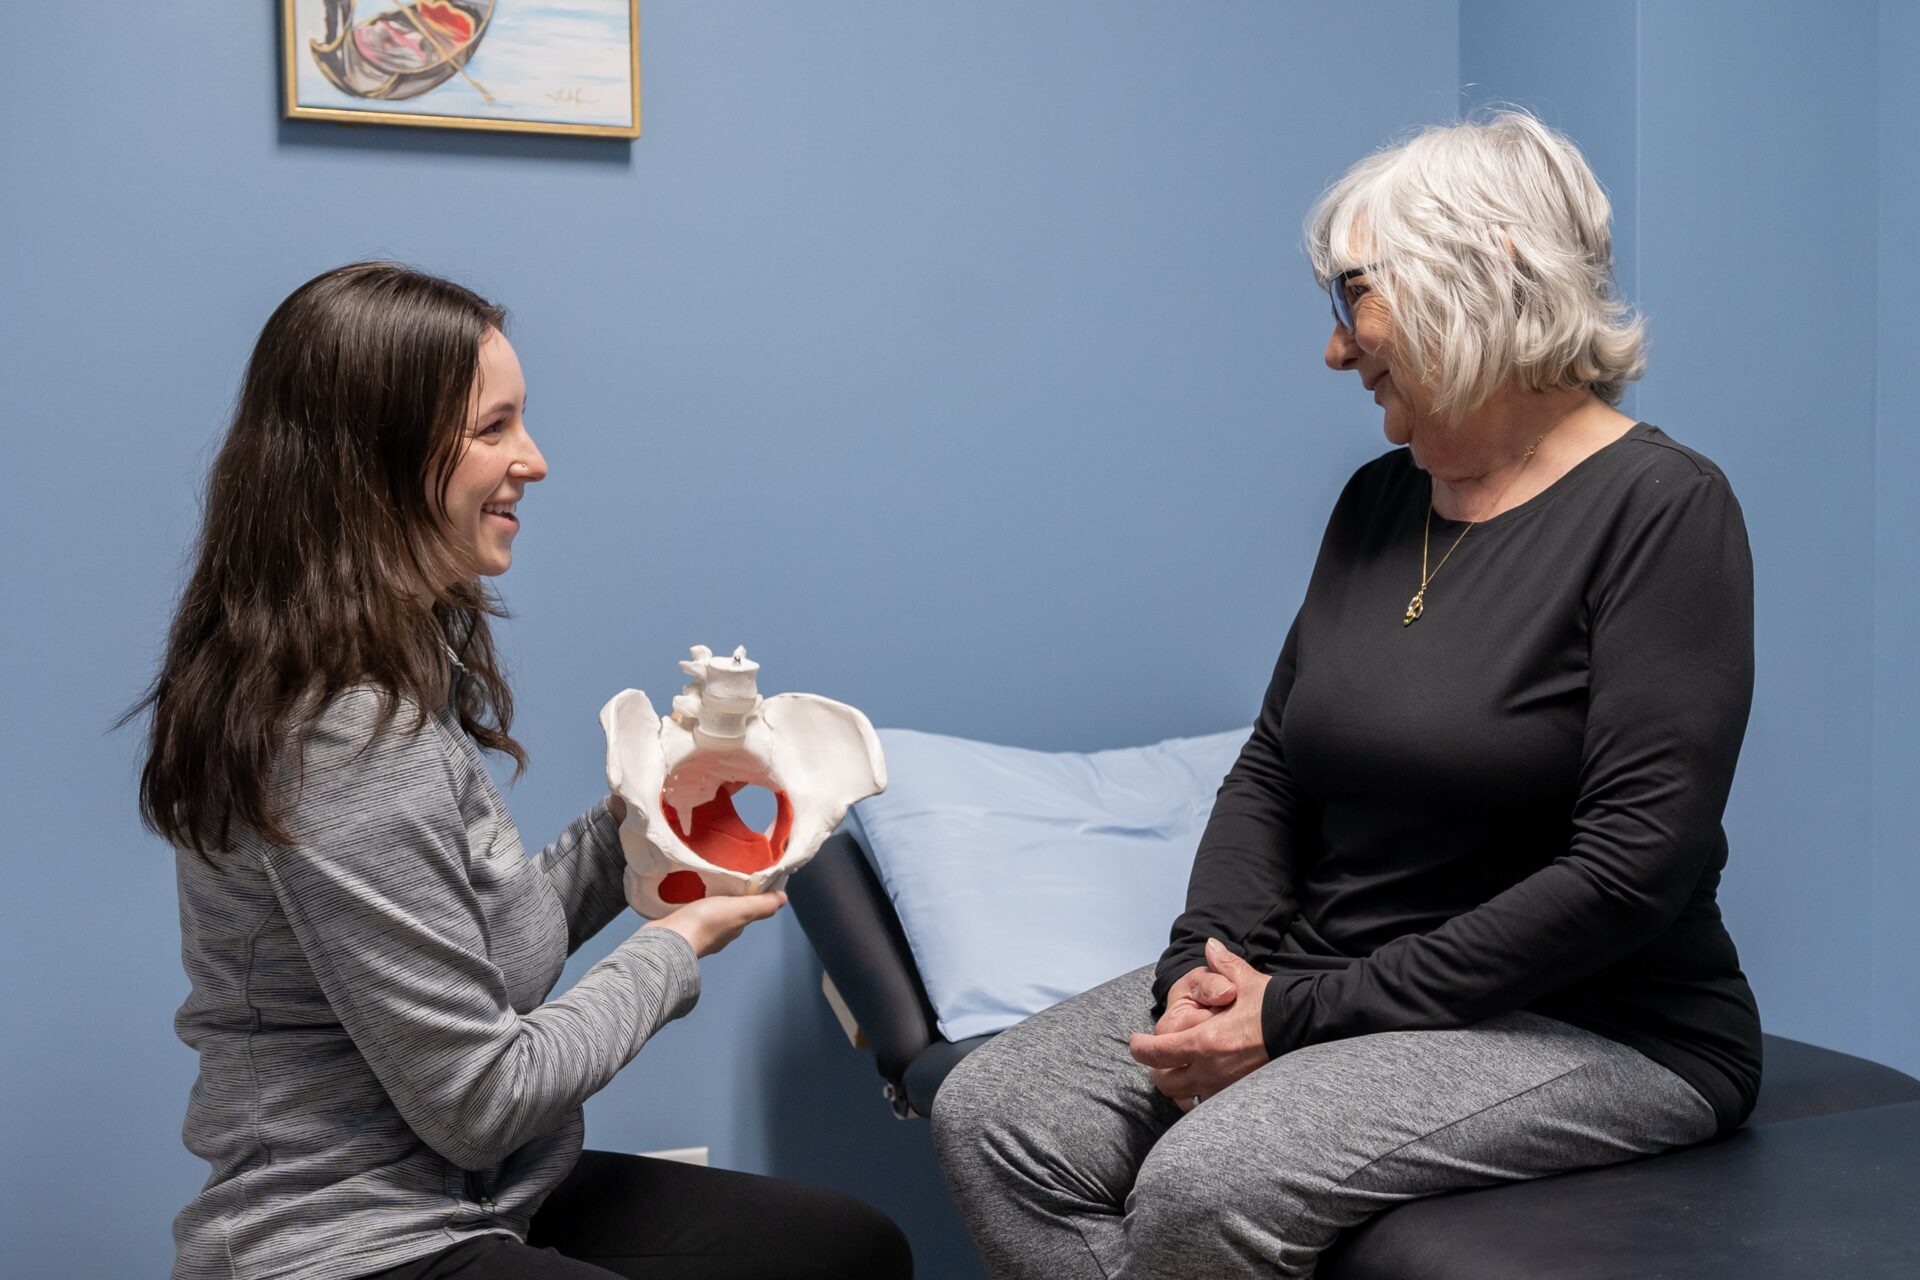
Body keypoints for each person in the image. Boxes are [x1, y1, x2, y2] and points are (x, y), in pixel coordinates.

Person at [933, 111, 1761, 1278]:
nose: (1335, 350)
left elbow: (1633, 868)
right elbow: (1277, 762)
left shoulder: (1664, 509)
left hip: (1597, 1020)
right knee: (997, 1114)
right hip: (1325, 973)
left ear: (1481, 276)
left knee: (1207, 1176)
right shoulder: (1384, 499)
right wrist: (1203, 969)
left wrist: (1292, 1018)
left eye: (1354, 299)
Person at [130, 263, 913, 1280]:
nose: (533, 461)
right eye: (493, 429)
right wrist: (676, 940)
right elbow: (479, 1095)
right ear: (374, 457)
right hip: (350, 1237)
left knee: (846, 1250)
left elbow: (484, 956)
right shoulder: (340, 731)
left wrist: (646, 814)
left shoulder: (388, 674)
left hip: (496, 1191)